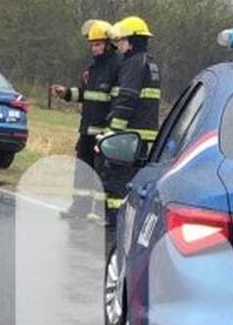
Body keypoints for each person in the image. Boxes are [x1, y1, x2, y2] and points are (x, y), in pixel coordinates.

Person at [51, 19, 121, 221]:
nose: (94, 48)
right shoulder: (93, 67)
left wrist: (111, 128)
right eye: (92, 45)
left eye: (98, 44)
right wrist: (66, 93)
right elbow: (85, 94)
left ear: (108, 44)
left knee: (100, 172)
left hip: (103, 130)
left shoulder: (116, 66)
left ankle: (99, 212)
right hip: (87, 127)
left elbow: (116, 100)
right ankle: (79, 208)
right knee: (83, 170)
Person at [98, 16, 162, 227]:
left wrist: (112, 132)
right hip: (144, 134)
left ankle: (116, 221)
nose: (121, 46)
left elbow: (127, 97)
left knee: (117, 178)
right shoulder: (149, 62)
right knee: (134, 178)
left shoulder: (133, 63)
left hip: (129, 133)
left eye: (122, 41)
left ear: (132, 40)